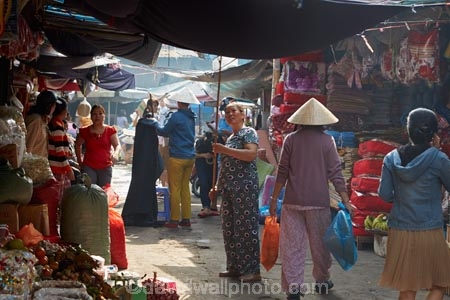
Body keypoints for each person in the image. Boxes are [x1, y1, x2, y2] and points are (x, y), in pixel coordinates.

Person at [269, 97, 352, 299]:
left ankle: (294, 288)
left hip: (292, 202)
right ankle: (322, 280)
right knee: (320, 245)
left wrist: (273, 200)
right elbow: (336, 173)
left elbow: (282, 172)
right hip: (318, 203)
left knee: (292, 246)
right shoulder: (327, 141)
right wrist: (346, 200)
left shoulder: (290, 139)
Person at [378, 107, 450, 300]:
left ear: (407, 131)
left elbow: (384, 195)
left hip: (400, 230)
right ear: (433, 134)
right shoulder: (439, 159)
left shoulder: (391, 159)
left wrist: (402, 199)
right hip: (430, 230)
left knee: (407, 289)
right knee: (439, 285)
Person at [209, 102, 261, 283]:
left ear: (242, 115)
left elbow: (250, 154)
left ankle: (251, 270)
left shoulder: (248, 133)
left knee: (245, 228)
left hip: (244, 188)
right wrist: (216, 186)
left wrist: (223, 149)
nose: (230, 114)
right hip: (229, 188)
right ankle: (234, 266)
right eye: (227, 112)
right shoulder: (231, 137)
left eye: (234, 111)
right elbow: (225, 166)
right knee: (229, 228)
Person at [148, 88, 198, 228]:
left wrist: (155, 123)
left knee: (174, 189)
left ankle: (175, 219)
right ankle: (186, 219)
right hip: (190, 156)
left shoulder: (176, 117)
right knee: (184, 188)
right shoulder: (192, 117)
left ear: (179, 102)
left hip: (177, 157)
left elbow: (164, 131)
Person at [74, 104, 121, 187]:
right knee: (89, 190)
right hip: (89, 166)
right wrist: (79, 161)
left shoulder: (110, 130)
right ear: (91, 116)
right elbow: (77, 145)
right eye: (94, 114)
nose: (97, 116)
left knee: (103, 192)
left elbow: (117, 145)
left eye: (100, 113)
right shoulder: (85, 131)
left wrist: (116, 153)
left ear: (104, 116)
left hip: (105, 166)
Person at [48, 98, 75, 195]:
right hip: (58, 168)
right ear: (64, 111)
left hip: (57, 166)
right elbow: (60, 151)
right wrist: (69, 169)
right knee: (60, 197)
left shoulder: (56, 124)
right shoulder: (57, 127)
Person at [195, 131, 221, 218]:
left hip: (213, 164)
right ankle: (206, 207)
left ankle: (212, 206)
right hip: (202, 164)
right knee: (204, 184)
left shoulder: (218, 140)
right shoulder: (199, 142)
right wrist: (203, 155)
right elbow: (193, 154)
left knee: (212, 184)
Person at [25, 90, 57, 157]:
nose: (54, 108)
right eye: (54, 106)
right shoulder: (36, 121)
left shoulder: (43, 120)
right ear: (49, 106)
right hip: (31, 164)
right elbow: (27, 148)